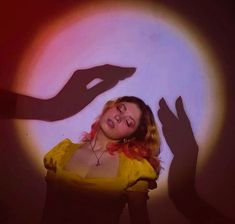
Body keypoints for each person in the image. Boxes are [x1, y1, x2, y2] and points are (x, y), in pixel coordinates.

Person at [42, 96, 161, 224]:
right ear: (110, 107)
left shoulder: (134, 169)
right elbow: (48, 214)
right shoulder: (62, 152)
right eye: (120, 109)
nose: (118, 117)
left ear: (131, 137)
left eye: (128, 122)